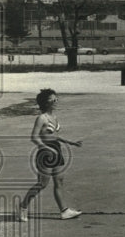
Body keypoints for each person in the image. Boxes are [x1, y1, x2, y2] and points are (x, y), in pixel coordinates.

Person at [17, 88, 83, 221]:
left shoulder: (54, 117)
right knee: (42, 184)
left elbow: (55, 136)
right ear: (45, 103)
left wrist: (71, 142)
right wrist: (47, 148)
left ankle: (64, 211)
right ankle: (23, 207)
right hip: (45, 153)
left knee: (59, 181)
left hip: (56, 150)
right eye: (52, 99)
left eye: (56, 99)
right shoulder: (41, 118)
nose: (56, 101)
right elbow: (34, 137)